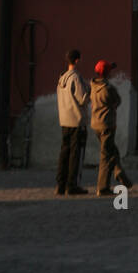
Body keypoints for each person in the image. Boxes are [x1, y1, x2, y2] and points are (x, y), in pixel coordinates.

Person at [90, 60, 133, 196]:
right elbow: (117, 101)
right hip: (107, 124)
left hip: (95, 124)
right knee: (106, 156)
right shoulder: (108, 88)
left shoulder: (92, 85)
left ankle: (119, 171)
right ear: (107, 73)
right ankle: (102, 187)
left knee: (111, 149)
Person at [55, 49, 90, 197]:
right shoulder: (76, 78)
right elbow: (83, 99)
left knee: (64, 152)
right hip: (76, 121)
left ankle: (60, 185)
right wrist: (89, 90)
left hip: (64, 120)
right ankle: (72, 184)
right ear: (77, 60)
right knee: (76, 154)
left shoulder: (61, 77)